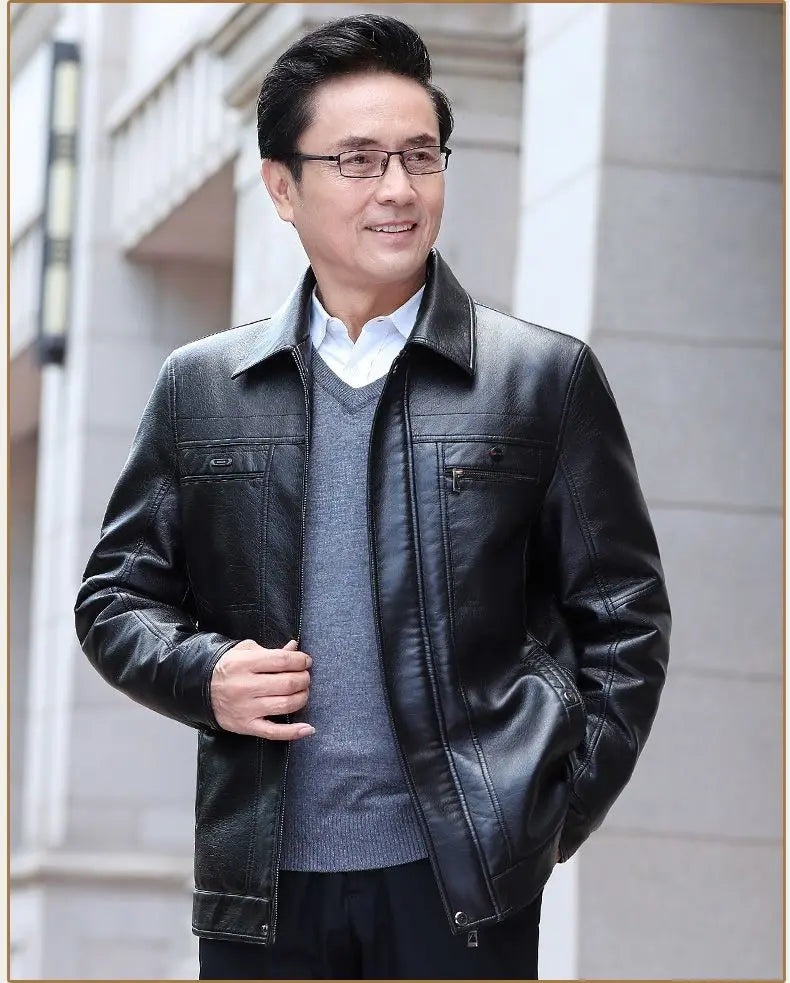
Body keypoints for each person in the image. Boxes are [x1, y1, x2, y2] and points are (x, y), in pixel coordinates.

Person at [75, 13, 670, 981]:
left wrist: (537, 818)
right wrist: (203, 672)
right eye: (357, 160)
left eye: (420, 156)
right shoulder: (203, 386)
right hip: (261, 888)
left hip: (460, 893)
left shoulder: (540, 380)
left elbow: (625, 620)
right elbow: (114, 597)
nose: (398, 187)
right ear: (282, 186)